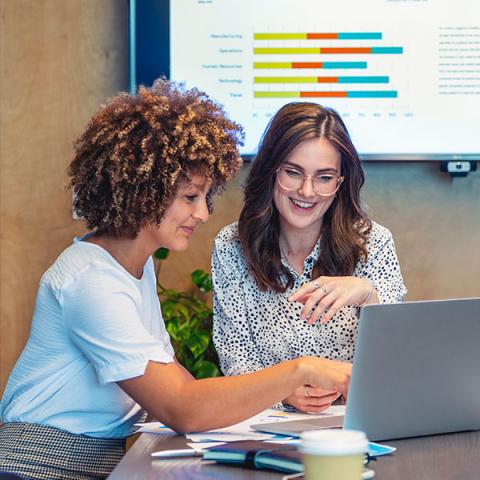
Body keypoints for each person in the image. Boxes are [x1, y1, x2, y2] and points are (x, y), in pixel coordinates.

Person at [0, 81, 351, 480]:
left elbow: (179, 384)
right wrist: (299, 370)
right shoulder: (90, 281)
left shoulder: (133, 266)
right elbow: (181, 405)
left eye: (205, 197)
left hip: (96, 462)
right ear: (143, 192)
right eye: (190, 197)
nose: (203, 214)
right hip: (35, 466)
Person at [212, 102, 407, 414]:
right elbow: (236, 356)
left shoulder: (374, 243)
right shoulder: (231, 246)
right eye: (293, 172)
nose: (307, 191)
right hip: (266, 422)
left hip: (354, 421)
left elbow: (398, 359)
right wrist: (284, 393)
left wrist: (369, 294)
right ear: (271, 171)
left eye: (324, 177)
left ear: (340, 183)